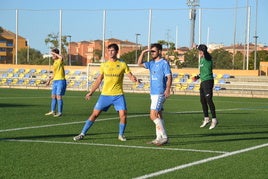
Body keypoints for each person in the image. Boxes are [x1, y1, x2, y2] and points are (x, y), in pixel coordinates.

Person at [73, 43, 138, 142]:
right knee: (94, 114)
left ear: (117, 51)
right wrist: (91, 92)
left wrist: (135, 80)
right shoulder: (104, 65)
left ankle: (121, 135)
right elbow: (99, 80)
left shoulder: (122, 64)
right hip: (105, 95)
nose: (110, 52)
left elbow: (130, 75)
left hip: (118, 95)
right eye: (109, 50)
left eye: (112, 50)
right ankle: (82, 134)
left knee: (123, 115)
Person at [137, 43, 172, 146]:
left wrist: (168, 89)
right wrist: (143, 52)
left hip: (160, 92)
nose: (152, 53)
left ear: (160, 52)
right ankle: (158, 138)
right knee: (159, 115)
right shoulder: (151, 63)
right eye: (151, 51)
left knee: (152, 116)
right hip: (153, 93)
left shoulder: (164, 63)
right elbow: (139, 63)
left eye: (154, 51)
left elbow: (169, 77)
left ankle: (164, 137)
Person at [194, 44, 218, 129]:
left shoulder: (208, 58)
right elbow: (203, 72)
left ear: (202, 51)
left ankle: (214, 119)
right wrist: (197, 77)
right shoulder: (201, 60)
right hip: (203, 81)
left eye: (200, 51)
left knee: (209, 100)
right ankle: (206, 118)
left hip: (208, 81)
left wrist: (201, 49)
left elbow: (207, 55)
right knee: (202, 100)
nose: (199, 53)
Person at [45, 48, 67, 117]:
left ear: (56, 55)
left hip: (61, 80)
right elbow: (54, 73)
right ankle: (52, 111)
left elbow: (62, 57)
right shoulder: (54, 63)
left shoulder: (60, 61)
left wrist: (55, 53)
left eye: (53, 55)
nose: (52, 56)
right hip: (55, 81)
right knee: (53, 96)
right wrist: (49, 80)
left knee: (58, 96)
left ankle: (60, 112)